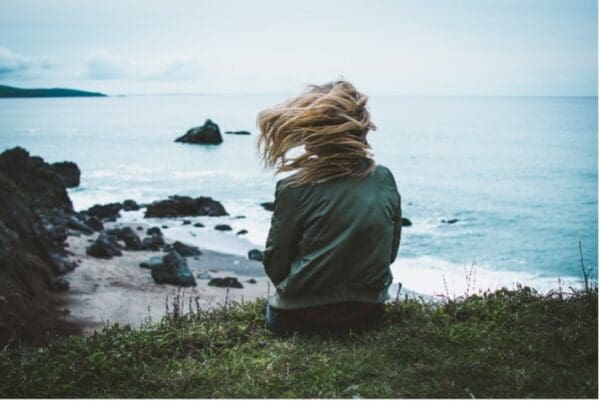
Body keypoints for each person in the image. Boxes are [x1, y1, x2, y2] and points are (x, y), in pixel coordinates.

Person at [256, 80, 402, 335]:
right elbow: (389, 252)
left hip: (299, 318)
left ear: (313, 135)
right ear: (361, 130)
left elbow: (276, 262)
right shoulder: (384, 178)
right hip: (367, 315)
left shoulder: (294, 187)